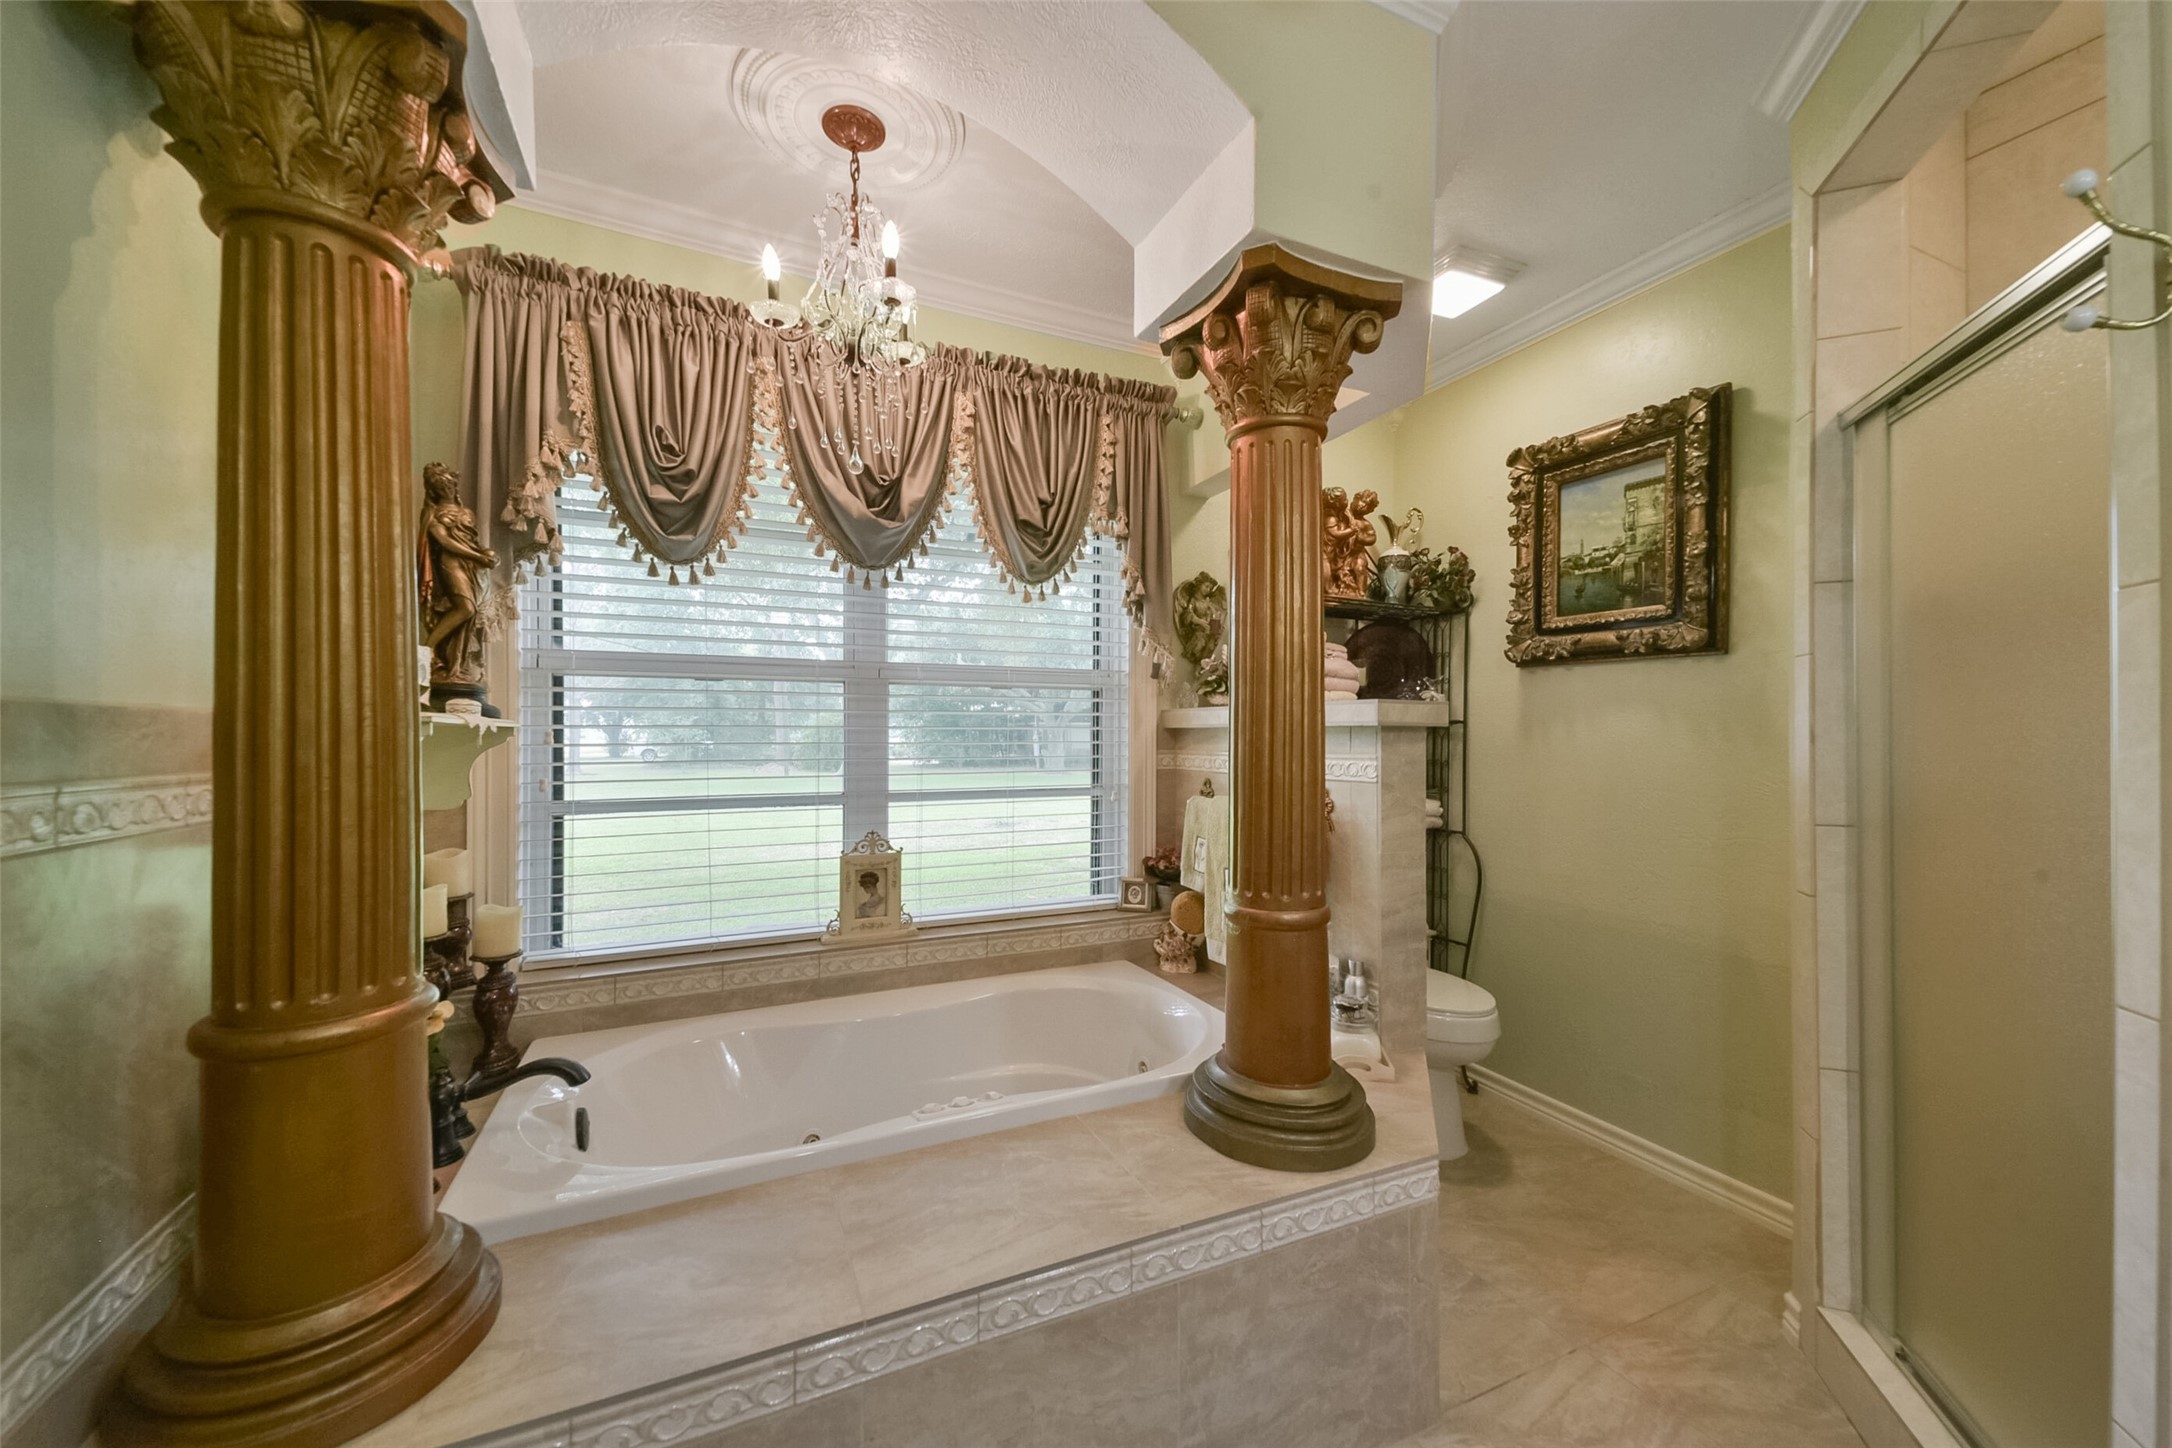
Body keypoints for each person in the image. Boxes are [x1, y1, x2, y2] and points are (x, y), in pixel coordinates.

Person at [419, 462, 497, 686]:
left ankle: (455, 666)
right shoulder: (432, 512)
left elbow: (472, 541)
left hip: (470, 565)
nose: (447, 490)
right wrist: (478, 556)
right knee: (465, 608)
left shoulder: (466, 512)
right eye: (441, 487)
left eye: (449, 485)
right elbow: (443, 541)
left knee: (469, 617)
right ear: (434, 490)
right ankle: (428, 648)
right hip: (449, 563)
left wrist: (486, 554)